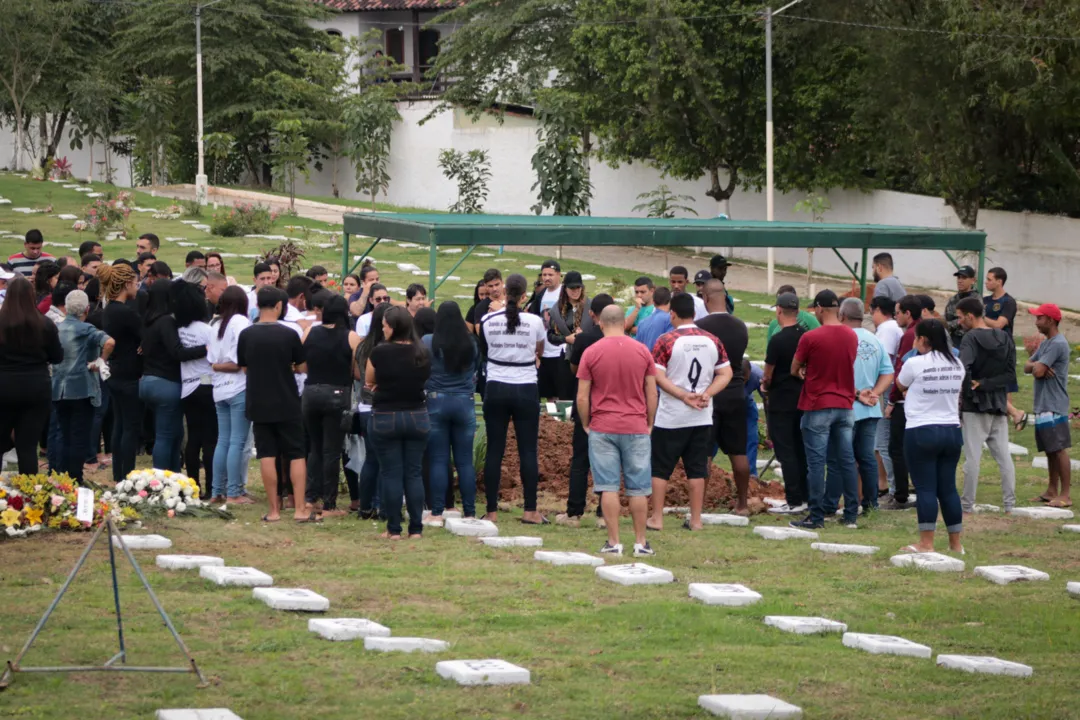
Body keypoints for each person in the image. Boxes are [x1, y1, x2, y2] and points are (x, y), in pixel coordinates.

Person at [646, 293, 732, 531]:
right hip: (702, 414)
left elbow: (657, 375)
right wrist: (708, 393)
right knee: (697, 468)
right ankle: (696, 519)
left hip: (671, 415)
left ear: (672, 313)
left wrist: (682, 395)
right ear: (695, 314)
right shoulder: (712, 339)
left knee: (660, 468)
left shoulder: (666, 340)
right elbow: (726, 373)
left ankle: (657, 518)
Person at [578, 304, 658, 556]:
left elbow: (582, 396)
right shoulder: (642, 351)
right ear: (624, 323)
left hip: (603, 426)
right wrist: (649, 422)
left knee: (608, 486)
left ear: (601, 324)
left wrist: (585, 424)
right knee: (638, 488)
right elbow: (651, 391)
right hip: (635, 425)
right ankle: (641, 542)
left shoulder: (591, 352)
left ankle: (613, 542)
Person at [238, 287, 318, 523]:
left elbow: (244, 367)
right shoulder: (288, 334)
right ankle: (300, 508)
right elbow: (302, 367)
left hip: (258, 399)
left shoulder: (247, 334)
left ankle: (273, 510)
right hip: (286, 399)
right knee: (295, 453)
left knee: (266, 454)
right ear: (279, 306)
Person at [479, 273, 546, 524]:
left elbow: (486, 350)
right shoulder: (535, 321)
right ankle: (530, 510)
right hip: (526, 386)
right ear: (525, 296)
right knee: (528, 449)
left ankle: (492, 511)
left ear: (505, 293)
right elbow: (540, 350)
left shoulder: (487, 320)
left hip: (496, 386)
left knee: (495, 450)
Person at [789, 289, 859, 530]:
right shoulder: (851, 335)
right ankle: (851, 513)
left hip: (817, 404)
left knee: (816, 464)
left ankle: (816, 516)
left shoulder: (811, 337)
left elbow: (794, 368)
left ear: (818, 308)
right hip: (845, 404)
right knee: (847, 460)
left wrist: (803, 371)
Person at [895, 319, 965, 554]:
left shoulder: (915, 363)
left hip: (921, 430)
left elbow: (900, 385)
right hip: (951, 430)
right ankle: (956, 544)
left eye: (916, 338)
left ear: (923, 340)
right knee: (948, 489)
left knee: (925, 488)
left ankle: (926, 543)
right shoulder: (957, 363)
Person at [366, 306, 431, 538]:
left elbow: (368, 380)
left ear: (392, 328)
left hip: (386, 415)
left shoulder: (379, 352)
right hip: (417, 415)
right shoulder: (422, 351)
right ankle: (416, 529)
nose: (382, 328)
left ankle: (393, 529)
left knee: (391, 473)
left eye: (384, 324)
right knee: (413, 473)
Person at [556, 294, 616, 528]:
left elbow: (575, 370)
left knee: (581, 460)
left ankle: (574, 512)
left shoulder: (584, 341)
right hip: (613, 407)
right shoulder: (626, 341)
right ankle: (604, 514)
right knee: (610, 461)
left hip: (587, 406)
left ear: (593, 314)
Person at [299, 295, 360, 516]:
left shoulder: (309, 332)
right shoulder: (351, 337)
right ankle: (329, 504)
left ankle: (309, 498)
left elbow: (301, 365)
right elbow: (357, 372)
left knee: (314, 448)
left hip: (311, 392)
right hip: (337, 393)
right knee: (332, 450)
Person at [955, 296, 1016, 513]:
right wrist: (989, 384)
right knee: (1004, 458)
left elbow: (963, 368)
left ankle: (966, 505)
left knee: (972, 458)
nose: (959, 322)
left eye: (961, 318)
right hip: (999, 403)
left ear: (970, 316)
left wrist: (978, 385)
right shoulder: (1004, 337)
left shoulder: (970, 338)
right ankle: (1010, 504)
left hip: (975, 405)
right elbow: (1010, 374)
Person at [696, 279, 752, 515]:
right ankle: (742, 504)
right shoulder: (741, 326)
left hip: (709, 392)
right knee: (738, 453)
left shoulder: (700, 326)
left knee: (705, 452)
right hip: (736, 391)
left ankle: (699, 506)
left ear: (706, 298)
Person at [140, 281, 208, 472]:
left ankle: (173, 474)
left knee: (174, 434)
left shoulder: (149, 321)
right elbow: (177, 352)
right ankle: (161, 478)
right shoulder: (166, 321)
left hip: (148, 380)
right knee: (165, 435)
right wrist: (206, 349)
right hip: (165, 383)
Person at [422, 302, 480, 522]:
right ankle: (470, 511)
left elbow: (421, 366)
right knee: (465, 461)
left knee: (438, 459)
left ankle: (437, 511)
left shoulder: (428, 341)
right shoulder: (471, 343)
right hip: (464, 402)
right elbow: (475, 369)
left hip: (436, 401)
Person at [0, 276, 63, 474]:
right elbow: (57, 357)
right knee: (27, 447)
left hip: (4, 385)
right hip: (36, 386)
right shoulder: (44, 324)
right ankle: (29, 496)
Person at [52, 289, 114, 483]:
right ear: (87, 309)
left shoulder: (56, 327)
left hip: (58, 389)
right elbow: (110, 342)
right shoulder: (86, 329)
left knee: (62, 433)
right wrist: (100, 361)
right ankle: (75, 477)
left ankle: (60, 475)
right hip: (81, 388)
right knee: (78, 436)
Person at [838, 298, 894, 513]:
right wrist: (876, 393)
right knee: (867, 458)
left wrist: (858, 395)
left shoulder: (842, 338)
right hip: (871, 407)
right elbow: (888, 372)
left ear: (842, 316)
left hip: (848, 407)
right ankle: (870, 503)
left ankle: (851, 504)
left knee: (847, 458)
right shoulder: (875, 339)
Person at [763, 292, 808, 514]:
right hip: (803, 398)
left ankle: (794, 499)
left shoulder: (778, 339)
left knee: (786, 451)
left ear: (779, 311)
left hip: (781, 401)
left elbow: (768, 374)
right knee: (801, 449)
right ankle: (807, 495)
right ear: (798, 312)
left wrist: (764, 385)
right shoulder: (806, 336)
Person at [98, 263, 143, 482]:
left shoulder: (108, 310)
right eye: (135, 283)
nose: (137, 287)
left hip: (114, 372)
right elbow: (143, 336)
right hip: (128, 373)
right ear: (127, 284)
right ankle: (127, 473)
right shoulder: (126, 312)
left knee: (119, 423)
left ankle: (118, 473)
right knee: (130, 425)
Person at [1025, 303, 1072, 508]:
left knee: (1059, 449)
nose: (1036, 322)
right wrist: (1037, 364)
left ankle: (1066, 494)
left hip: (1054, 404)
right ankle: (1052, 490)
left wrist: (1037, 367)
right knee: (1050, 449)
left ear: (1051, 320)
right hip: (1044, 403)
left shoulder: (1057, 344)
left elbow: (1038, 372)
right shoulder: (1046, 343)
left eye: (1039, 318)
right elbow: (1029, 366)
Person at [209, 286, 252, 504]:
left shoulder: (215, 324)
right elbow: (238, 363)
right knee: (237, 441)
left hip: (219, 390)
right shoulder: (241, 322)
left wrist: (216, 367)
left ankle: (217, 490)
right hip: (238, 388)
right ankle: (234, 492)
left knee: (223, 440)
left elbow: (212, 361)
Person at [175, 279, 217, 499]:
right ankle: (211, 487)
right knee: (210, 439)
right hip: (207, 385)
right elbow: (214, 358)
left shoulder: (178, 330)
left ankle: (193, 487)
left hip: (187, 388)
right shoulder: (206, 330)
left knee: (193, 439)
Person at [882, 295, 924, 510]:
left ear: (908, 313)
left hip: (904, 400)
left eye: (898, 312)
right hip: (917, 398)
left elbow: (901, 369)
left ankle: (900, 495)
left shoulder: (910, 335)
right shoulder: (918, 330)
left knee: (896, 448)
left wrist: (891, 400)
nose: (895, 316)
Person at [353, 301, 391, 518]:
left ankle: (366, 505)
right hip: (382, 406)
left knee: (371, 458)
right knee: (385, 460)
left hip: (365, 405)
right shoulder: (386, 348)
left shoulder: (363, 345)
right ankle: (381, 505)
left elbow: (357, 374)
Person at [982, 267, 1025, 429]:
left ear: (999, 282)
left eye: (989, 279)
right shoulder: (984, 301)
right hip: (987, 347)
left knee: (1005, 384)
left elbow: (1000, 324)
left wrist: (980, 317)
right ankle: (1005, 416)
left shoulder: (1008, 302)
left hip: (1003, 348)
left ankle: (1009, 418)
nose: (986, 282)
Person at [870, 296, 902, 497]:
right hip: (886, 389)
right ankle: (884, 484)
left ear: (879, 310)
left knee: (882, 441)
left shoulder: (888, 329)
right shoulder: (889, 328)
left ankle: (893, 487)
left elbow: (884, 362)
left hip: (886, 390)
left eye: (872, 311)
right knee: (879, 442)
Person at [527, 260, 566, 402]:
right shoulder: (541, 294)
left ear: (559, 275)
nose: (546, 278)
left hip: (561, 350)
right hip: (545, 351)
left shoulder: (565, 293)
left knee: (562, 393)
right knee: (549, 394)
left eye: (550, 274)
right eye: (544, 275)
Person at [546, 270, 591, 359]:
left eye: (578, 287)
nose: (575, 291)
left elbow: (599, 330)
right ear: (565, 288)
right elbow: (551, 336)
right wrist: (566, 339)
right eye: (572, 288)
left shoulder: (591, 306)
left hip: (588, 354)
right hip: (566, 357)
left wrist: (584, 336)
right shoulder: (557, 309)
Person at [944, 265, 978, 348]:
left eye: (964, 278)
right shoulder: (953, 299)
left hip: (970, 340)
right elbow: (946, 322)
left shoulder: (976, 300)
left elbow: (974, 322)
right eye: (958, 278)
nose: (960, 281)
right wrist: (959, 321)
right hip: (953, 340)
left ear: (973, 280)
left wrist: (958, 322)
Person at [634, 286, 673, 352]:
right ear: (669, 301)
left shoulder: (642, 322)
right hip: (661, 361)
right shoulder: (670, 319)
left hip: (646, 360)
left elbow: (637, 349)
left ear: (653, 302)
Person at [745, 360, 765, 478]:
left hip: (747, 404)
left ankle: (751, 475)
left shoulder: (758, 375)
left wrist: (770, 428)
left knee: (751, 437)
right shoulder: (725, 371)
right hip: (724, 404)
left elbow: (768, 400)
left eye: (746, 379)